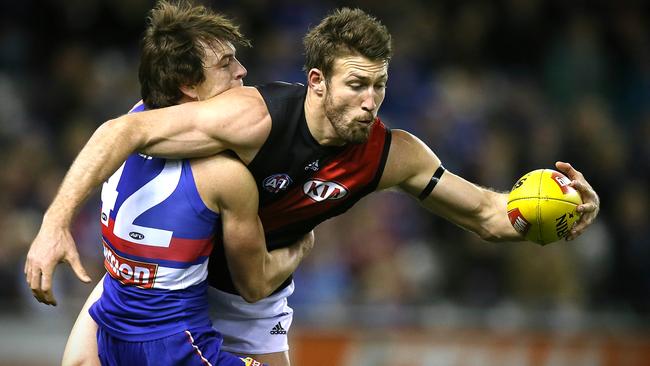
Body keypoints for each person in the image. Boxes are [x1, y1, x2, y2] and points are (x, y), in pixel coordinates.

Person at [27, 6, 600, 366]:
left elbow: (488, 215)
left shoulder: (392, 155)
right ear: (318, 81)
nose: (370, 101)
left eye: (378, 85)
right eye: (356, 84)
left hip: (255, 297)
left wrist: (557, 216)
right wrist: (53, 225)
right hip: (177, 286)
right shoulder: (252, 117)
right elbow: (124, 131)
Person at [56, 2, 314, 365]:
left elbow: (121, 274)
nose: (242, 71)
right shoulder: (224, 174)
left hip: (115, 321)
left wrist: (53, 225)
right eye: (226, 64)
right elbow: (255, 285)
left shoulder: (130, 124)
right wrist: (300, 248)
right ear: (188, 85)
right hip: (180, 347)